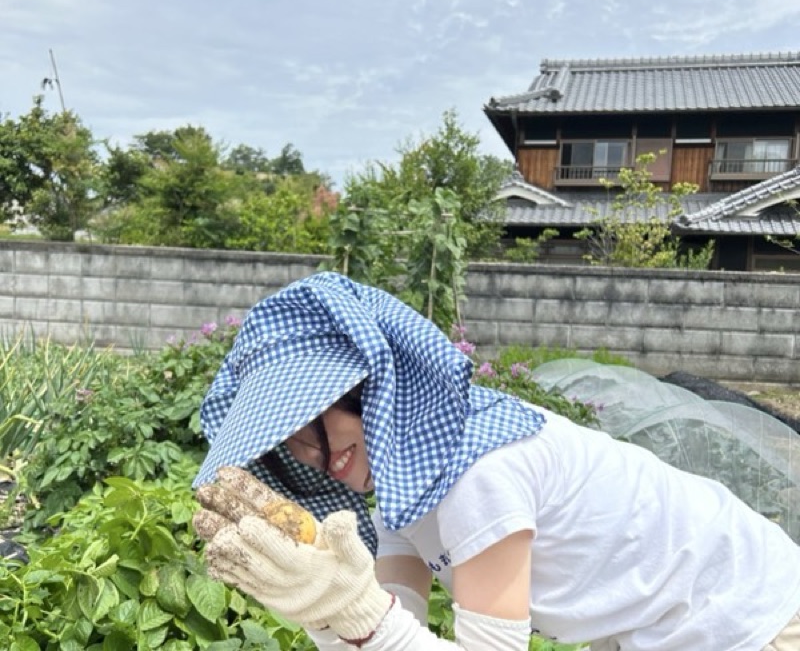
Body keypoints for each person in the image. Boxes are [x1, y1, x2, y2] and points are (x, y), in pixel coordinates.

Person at [192, 271, 800, 651]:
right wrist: (326, 609)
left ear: (375, 384)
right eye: (288, 444)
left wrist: (360, 616)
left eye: (318, 419)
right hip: (649, 621)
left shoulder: (480, 472)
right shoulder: (409, 475)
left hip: (743, 614)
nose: (314, 457)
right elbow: (390, 623)